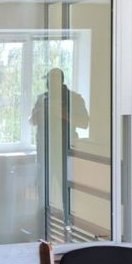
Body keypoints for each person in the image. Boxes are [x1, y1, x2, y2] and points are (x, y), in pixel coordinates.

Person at [29, 68, 89, 234]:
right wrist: (40, 112)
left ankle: (68, 227)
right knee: (43, 191)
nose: (48, 84)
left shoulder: (74, 98)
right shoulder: (43, 98)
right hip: (44, 154)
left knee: (66, 192)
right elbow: (31, 121)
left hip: (64, 154)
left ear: (59, 82)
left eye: (50, 81)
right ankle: (42, 228)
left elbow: (84, 123)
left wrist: (62, 113)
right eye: (47, 81)